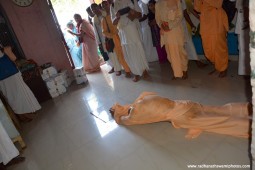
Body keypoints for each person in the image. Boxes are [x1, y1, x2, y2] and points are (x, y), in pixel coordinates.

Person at [110, 92, 250, 139]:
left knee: (219, 122)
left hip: (182, 116)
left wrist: (117, 117)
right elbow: (130, 107)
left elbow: (124, 121)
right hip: (186, 103)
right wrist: (122, 111)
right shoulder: (142, 97)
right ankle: (245, 108)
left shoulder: (135, 115)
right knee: (217, 110)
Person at [0, 45, 41, 122]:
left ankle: (27, 111)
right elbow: (11, 57)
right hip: (8, 73)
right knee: (15, 95)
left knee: (16, 95)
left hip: (7, 73)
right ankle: (23, 114)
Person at [111, 0, 149, 82]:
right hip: (122, 31)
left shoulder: (132, 0)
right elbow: (113, 22)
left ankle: (144, 70)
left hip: (133, 28)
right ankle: (135, 73)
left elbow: (140, 15)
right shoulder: (113, 5)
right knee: (128, 53)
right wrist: (117, 17)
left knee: (138, 49)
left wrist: (133, 12)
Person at [194, 0, 229, 78]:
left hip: (217, 21)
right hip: (206, 23)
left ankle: (223, 68)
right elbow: (197, 9)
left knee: (219, 47)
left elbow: (218, 4)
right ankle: (217, 66)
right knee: (208, 49)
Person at [155, 0, 188, 79]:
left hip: (176, 29)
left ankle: (184, 70)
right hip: (166, 32)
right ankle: (176, 72)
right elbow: (158, 19)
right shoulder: (158, 4)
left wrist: (170, 25)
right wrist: (162, 25)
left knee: (180, 51)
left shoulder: (177, 1)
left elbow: (180, 16)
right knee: (170, 53)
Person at [101, 0, 131, 77]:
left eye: (106, 4)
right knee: (120, 55)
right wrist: (112, 35)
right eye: (103, 6)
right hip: (114, 39)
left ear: (109, 4)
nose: (105, 7)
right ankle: (127, 70)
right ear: (102, 8)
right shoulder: (103, 19)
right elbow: (104, 32)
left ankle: (133, 68)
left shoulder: (116, 13)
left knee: (127, 52)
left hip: (123, 34)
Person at [180, 0, 207, 68]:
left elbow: (188, 12)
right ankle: (186, 63)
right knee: (185, 44)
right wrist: (192, 24)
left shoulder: (183, 1)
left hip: (183, 25)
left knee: (188, 43)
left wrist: (192, 24)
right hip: (179, 26)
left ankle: (196, 61)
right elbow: (185, 13)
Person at [90, 3, 111, 72]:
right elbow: (95, 31)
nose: (93, 10)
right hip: (101, 38)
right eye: (92, 9)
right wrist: (98, 41)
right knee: (106, 52)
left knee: (112, 51)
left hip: (109, 35)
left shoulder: (104, 14)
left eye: (94, 8)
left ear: (97, 7)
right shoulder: (94, 18)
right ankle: (113, 67)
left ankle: (119, 67)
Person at [235, 0, 250, 76]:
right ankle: (246, 72)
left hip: (246, 20)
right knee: (243, 48)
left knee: (245, 48)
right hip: (243, 18)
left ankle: (248, 71)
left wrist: (246, 20)